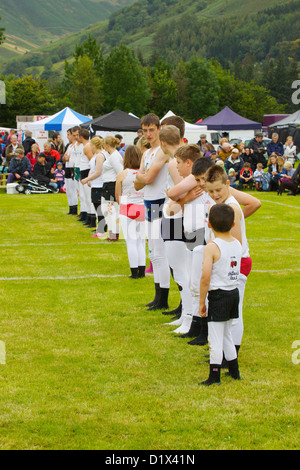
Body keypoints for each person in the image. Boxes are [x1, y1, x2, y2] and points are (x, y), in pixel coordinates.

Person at [204, 165, 253, 360]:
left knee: (234, 312)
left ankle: (232, 352)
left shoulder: (232, 207)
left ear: (228, 184)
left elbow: (236, 245)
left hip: (236, 263)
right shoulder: (218, 205)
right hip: (225, 262)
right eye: (211, 191)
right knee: (224, 311)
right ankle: (224, 351)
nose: (215, 194)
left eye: (218, 190)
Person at [199, 203, 242, 386]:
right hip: (233, 293)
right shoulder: (237, 244)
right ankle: (234, 371)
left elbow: (205, 277)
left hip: (219, 295)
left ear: (209, 224)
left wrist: (202, 301)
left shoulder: (212, 247)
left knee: (215, 337)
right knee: (226, 335)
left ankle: (214, 376)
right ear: (233, 224)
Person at [158, 123, 193, 334]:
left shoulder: (173, 162)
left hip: (177, 218)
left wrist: (174, 203)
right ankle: (186, 316)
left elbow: (182, 193)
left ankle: (188, 318)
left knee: (181, 270)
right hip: (182, 217)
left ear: (163, 143)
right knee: (184, 270)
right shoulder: (180, 159)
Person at [134, 113, 170, 311]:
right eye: (144, 130)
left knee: (160, 252)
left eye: (151, 130)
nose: (148, 134)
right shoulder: (147, 153)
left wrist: (142, 176)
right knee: (154, 253)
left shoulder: (162, 151)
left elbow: (145, 179)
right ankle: (157, 296)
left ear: (159, 129)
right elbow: (139, 183)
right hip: (147, 201)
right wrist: (142, 176)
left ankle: (163, 297)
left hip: (159, 203)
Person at [116, 145, 146, 278]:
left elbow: (118, 195)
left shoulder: (122, 174)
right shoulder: (143, 174)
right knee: (140, 241)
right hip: (142, 207)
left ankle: (134, 271)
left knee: (131, 241)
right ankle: (142, 270)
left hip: (127, 206)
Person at [81, 137, 107, 238]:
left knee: (100, 208)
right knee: (97, 207)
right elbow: (93, 169)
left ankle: (102, 230)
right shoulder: (96, 155)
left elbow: (98, 171)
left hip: (99, 185)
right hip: (95, 184)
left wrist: (87, 179)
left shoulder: (100, 155)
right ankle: (100, 228)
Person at [101, 135, 124, 241]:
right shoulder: (112, 155)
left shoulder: (114, 156)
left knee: (112, 210)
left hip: (112, 185)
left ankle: (114, 234)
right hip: (108, 184)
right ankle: (112, 233)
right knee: (109, 210)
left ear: (107, 145)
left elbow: (120, 171)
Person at [79, 128, 96, 228]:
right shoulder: (86, 146)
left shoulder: (87, 147)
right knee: (86, 197)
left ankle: (92, 219)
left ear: (81, 137)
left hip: (87, 173)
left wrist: (89, 176)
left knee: (89, 198)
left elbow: (91, 161)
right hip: (85, 173)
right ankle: (89, 218)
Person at [63, 128, 78, 215]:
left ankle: (74, 207)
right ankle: (70, 206)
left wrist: (67, 157)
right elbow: (64, 158)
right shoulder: (69, 146)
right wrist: (66, 157)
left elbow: (69, 157)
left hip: (72, 168)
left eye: (69, 135)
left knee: (72, 189)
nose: (68, 137)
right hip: (67, 167)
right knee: (68, 189)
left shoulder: (75, 146)